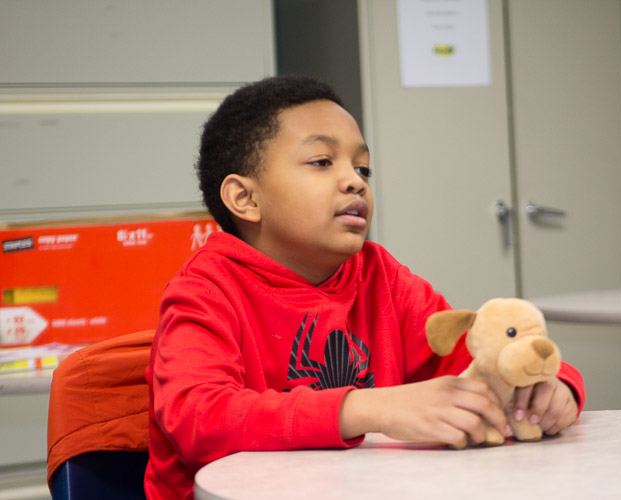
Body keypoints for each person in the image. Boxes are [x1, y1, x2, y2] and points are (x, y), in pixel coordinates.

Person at [144, 75, 585, 500]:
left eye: (363, 168)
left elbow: (482, 356)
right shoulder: (205, 290)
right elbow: (199, 417)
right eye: (322, 161)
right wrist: (372, 409)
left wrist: (550, 386)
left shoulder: (381, 276)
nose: (355, 180)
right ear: (246, 199)